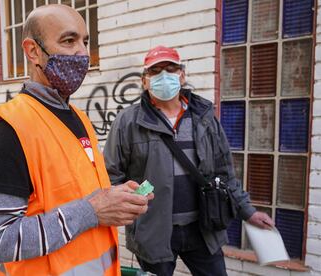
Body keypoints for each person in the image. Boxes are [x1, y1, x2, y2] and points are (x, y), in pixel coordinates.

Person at [0, 4, 153, 276]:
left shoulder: (79, 118)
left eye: (85, 41)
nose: (82, 53)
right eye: (68, 41)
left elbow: (79, 196)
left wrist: (116, 198)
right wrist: (93, 210)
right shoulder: (11, 127)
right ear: (33, 51)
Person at [103, 45, 275, 276]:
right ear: (144, 81)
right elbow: (112, 175)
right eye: (155, 71)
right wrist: (130, 210)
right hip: (154, 231)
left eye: (170, 69)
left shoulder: (204, 118)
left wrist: (248, 211)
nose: (164, 76)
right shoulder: (128, 122)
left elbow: (224, 171)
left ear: (182, 75)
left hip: (204, 228)